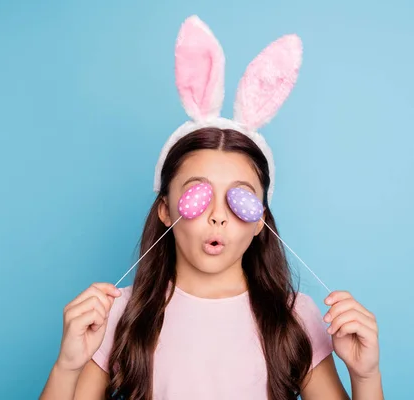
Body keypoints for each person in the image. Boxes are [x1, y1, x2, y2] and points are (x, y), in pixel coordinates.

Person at [40, 15, 383, 400]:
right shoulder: (119, 315)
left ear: (260, 222)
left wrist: (366, 377)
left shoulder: (294, 318)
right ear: (165, 210)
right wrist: (66, 367)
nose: (218, 216)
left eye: (239, 198)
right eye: (198, 194)